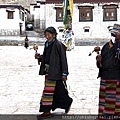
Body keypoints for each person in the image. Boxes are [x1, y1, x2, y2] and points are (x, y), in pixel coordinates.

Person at [35, 26, 73, 119]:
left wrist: (64, 73)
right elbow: (47, 57)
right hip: (48, 71)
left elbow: (63, 59)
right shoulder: (47, 44)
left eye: (49, 35)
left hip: (56, 72)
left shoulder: (58, 45)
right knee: (58, 91)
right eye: (46, 35)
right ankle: (67, 102)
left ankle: (46, 111)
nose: (47, 37)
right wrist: (39, 57)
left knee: (47, 92)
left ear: (54, 35)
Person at [96, 24, 120, 119]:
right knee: (103, 100)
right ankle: (102, 116)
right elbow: (100, 65)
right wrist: (99, 61)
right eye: (112, 34)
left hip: (116, 77)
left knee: (115, 101)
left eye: (116, 34)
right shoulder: (106, 46)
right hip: (105, 76)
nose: (113, 36)